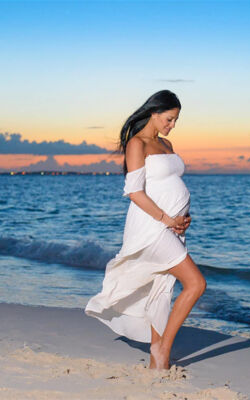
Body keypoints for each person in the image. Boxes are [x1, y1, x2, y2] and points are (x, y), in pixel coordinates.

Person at [84, 90, 206, 369]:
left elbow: (167, 185)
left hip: (171, 227)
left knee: (161, 288)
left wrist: (182, 218)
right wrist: (167, 218)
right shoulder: (136, 144)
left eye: (175, 120)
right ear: (154, 112)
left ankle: (156, 359)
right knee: (196, 283)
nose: (172, 125)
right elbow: (134, 192)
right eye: (169, 118)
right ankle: (163, 349)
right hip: (152, 228)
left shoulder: (166, 143)